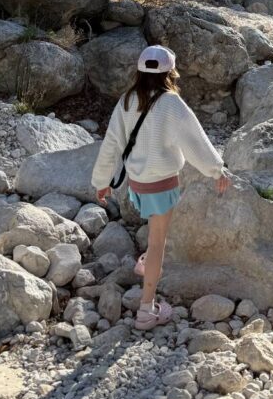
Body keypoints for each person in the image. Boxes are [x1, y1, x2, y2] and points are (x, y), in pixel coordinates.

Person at [91, 45, 231, 331]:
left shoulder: (127, 100)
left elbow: (111, 144)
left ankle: (146, 263)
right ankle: (147, 309)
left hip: (137, 185)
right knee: (158, 243)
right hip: (163, 185)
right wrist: (216, 169)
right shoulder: (171, 102)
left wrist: (101, 182)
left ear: (140, 71)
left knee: (154, 232)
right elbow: (195, 140)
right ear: (170, 72)